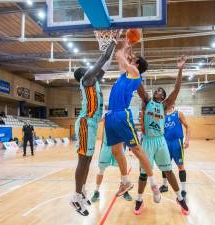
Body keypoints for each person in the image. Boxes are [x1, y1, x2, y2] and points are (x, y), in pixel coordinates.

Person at [104, 40, 160, 201]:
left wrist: (123, 45)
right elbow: (121, 58)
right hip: (111, 115)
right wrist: (127, 49)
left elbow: (118, 55)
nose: (130, 58)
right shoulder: (126, 75)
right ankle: (125, 182)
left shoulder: (135, 73)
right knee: (116, 151)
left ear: (136, 63)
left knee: (136, 150)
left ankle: (153, 182)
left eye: (133, 58)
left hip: (122, 115)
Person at [135, 55, 189, 215]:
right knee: (143, 174)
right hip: (147, 142)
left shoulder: (165, 105)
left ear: (164, 97)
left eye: (160, 91)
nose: (157, 90)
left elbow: (177, 89)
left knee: (169, 171)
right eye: (156, 90)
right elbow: (139, 85)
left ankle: (180, 198)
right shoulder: (147, 100)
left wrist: (180, 69)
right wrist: (136, 69)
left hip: (160, 142)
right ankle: (139, 200)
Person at [70, 36, 118, 216]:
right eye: (85, 68)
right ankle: (75, 197)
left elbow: (106, 64)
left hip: (91, 125)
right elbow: (103, 59)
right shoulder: (87, 78)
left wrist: (113, 48)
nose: (88, 67)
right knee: (83, 160)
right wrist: (113, 39)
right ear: (83, 73)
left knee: (88, 160)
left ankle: (81, 191)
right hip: (85, 123)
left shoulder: (94, 80)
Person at [91, 126, 133, 203]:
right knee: (101, 170)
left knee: (122, 169)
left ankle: (125, 190)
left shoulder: (121, 115)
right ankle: (96, 191)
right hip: (106, 146)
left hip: (118, 146)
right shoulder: (106, 115)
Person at [159, 106, 190, 200]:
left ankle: (183, 190)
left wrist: (187, 140)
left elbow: (188, 126)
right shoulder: (162, 116)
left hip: (177, 142)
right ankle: (165, 185)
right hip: (165, 143)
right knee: (165, 166)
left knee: (180, 166)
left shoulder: (178, 114)